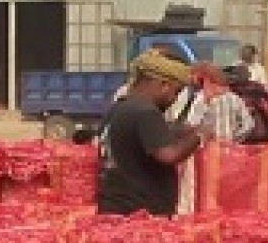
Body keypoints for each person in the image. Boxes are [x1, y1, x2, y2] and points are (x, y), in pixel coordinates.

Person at [97, 50, 203, 216]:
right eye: (175, 91)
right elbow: (169, 155)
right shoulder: (146, 112)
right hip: (140, 213)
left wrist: (176, 129)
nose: (174, 99)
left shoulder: (119, 108)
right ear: (163, 85)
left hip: (114, 206)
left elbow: (139, 139)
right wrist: (199, 136)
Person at [193, 64, 254, 142]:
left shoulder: (200, 98)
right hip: (228, 149)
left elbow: (192, 126)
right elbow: (249, 124)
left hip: (208, 149)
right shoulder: (234, 98)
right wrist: (235, 140)